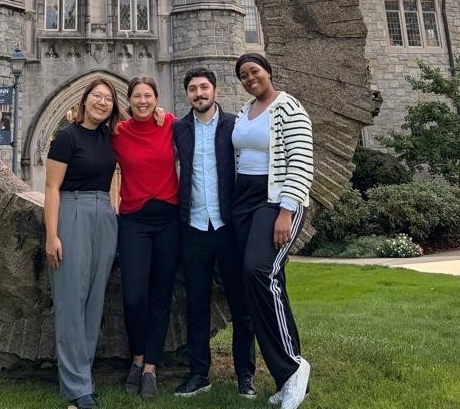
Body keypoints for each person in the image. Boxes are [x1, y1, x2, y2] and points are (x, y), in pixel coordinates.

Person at [231, 53, 314, 409]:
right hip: (244, 201)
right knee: (264, 283)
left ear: (268, 73)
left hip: (276, 201)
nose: (250, 78)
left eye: (255, 72)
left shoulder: (288, 107)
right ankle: (288, 377)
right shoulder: (243, 112)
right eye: (244, 75)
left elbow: (301, 158)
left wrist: (287, 210)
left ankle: (294, 367)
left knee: (259, 271)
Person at [172, 67, 257, 398]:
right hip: (193, 227)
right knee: (196, 304)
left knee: (241, 305)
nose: (199, 94)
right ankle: (198, 373)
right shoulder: (179, 129)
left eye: (204, 87)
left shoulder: (235, 125)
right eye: (192, 89)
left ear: (215, 91)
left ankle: (245, 374)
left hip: (228, 228)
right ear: (187, 94)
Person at [44, 78, 122, 409]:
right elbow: (51, 188)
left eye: (107, 99)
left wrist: (160, 111)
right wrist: (52, 235)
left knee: (93, 303)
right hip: (71, 211)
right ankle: (76, 389)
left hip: (104, 213)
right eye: (96, 96)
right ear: (85, 100)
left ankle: (83, 378)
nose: (101, 102)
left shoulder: (110, 138)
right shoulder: (66, 137)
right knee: (71, 303)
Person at [111, 76, 181, 399]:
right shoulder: (118, 133)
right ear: (129, 101)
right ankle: (137, 357)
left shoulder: (171, 125)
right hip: (134, 220)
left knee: (161, 295)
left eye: (148, 95)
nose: (142, 101)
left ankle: (150, 367)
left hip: (168, 219)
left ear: (156, 98)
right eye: (137, 96)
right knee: (134, 295)